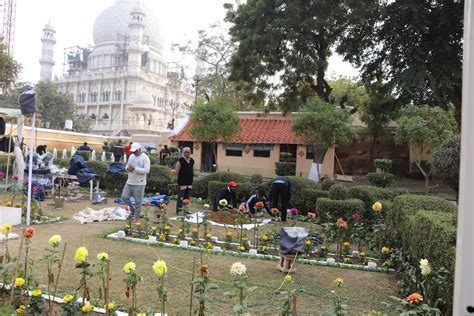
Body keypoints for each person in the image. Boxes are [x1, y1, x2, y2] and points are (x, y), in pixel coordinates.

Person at [121, 142, 150, 221]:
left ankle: (136, 216)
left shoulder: (145, 157)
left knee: (138, 201)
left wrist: (135, 169)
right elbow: (127, 165)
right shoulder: (131, 156)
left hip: (139, 182)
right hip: (130, 180)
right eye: (133, 151)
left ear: (140, 149)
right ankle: (132, 210)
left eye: (135, 151)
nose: (134, 152)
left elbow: (147, 170)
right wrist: (127, 168)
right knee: (124, 196)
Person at [175, 147, 194, 214]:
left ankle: (186, 210)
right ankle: (179, 210)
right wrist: (177, 181)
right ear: (184, 153)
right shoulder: (180, 160)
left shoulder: (192, 160)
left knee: (187, 197)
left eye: (189, 152)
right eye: (186, 152)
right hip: (182, 182)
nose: (188, 153)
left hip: (189, 182)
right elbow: (177, 171)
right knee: (181, 197)